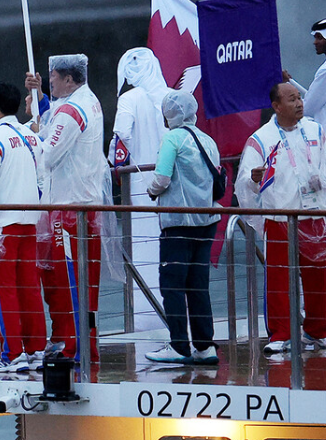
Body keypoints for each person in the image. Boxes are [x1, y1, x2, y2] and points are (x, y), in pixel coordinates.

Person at [25, 53, 107, 361]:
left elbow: (47, 155)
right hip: (85, 204)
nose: (50, 82)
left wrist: (30, 136)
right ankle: (83, 343)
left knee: (71, 281)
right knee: (84, 282)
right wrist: (40, 98)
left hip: (69, 209)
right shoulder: (89, 101)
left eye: (53, 78)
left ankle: (76, 346)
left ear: (69, 80)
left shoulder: (72, 111)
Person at [235, 82, 326, 355]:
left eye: (299, 98)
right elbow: (245, 180)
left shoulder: (316, 130)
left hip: (314, 214)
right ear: (276, 106)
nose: (299, 103)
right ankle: (281, 334)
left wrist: (320, 180)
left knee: (319, 276)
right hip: (279, 217)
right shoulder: (261, 139)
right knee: (279, 278)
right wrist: (254, 180)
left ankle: (318, 330)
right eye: (292, 99)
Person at [144, 89, 221, 366]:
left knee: (173, 285)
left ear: (169, 115)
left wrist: (151, 190)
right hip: (207, 222)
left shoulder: (172, 139)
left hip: (178, 223)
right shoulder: (208, 140)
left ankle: (179, 345)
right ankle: (205, 346)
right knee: (198, 285)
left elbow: (162, 179)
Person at [0, 82, 46, 373]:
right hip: (29, 222)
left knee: (4, 290)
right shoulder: (32, 138)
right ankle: (36, 349)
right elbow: (42, 181)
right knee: (29, 288)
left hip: (2, 226)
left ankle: (11, 353)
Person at [111, 47, 171, 329]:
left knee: (144, 251)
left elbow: (121, 138)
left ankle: (147, 321)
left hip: (138, 186)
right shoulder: (172, 96)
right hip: (172, 185)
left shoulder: (129, 99)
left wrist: (116, 166)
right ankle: (176, 319)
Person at [286, 19, 326, 128]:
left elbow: (307, 108)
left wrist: (286, 84)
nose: (315, 42)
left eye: (319, 38)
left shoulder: (324, 71)